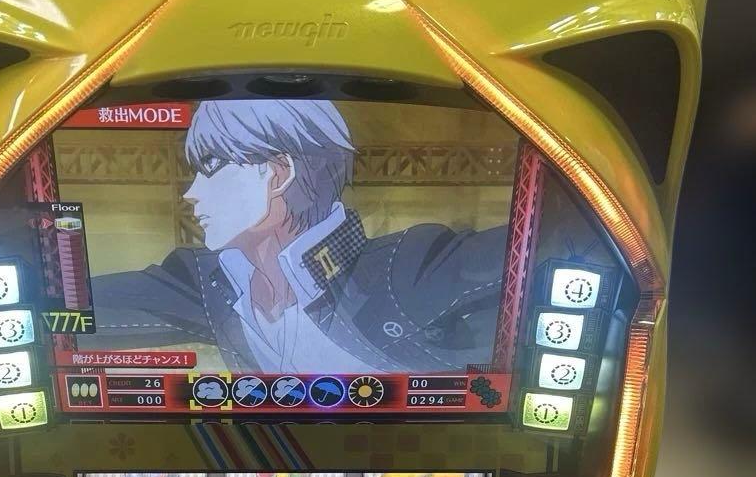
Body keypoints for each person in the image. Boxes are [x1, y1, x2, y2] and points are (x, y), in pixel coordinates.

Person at [87, 99, 508, 374]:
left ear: (280, 173)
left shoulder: (406, 267)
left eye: (211, 167)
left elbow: (534, 259)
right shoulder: (206, 281)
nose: (191, 192)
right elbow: (69, 309)